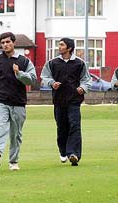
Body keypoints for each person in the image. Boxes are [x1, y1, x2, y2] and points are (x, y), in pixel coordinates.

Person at [0, 32, 37, 170]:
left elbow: (33, 79)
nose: (5, 45)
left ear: (14, 43)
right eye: (2, 43)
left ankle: (13, 161)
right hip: (1, 100)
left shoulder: (24, 61)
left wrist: (19, 73)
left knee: (15, 134)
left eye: (8, 42)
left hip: (18, 101)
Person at [40, 38, 92, 166]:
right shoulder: (52, 63)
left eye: (62, 45)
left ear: (69, 48)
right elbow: (44, 77)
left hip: (74, 100)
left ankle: (74, 154)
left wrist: (83, 88)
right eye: (59, 44)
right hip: (59, 101)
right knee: (62, 128)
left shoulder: (79, 64)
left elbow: (87, 79)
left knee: (75, 126)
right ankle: (63, 151)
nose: (59, 47)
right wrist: (52, 83)